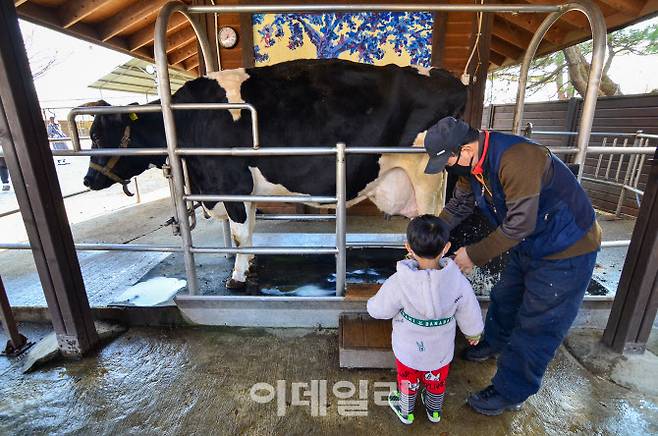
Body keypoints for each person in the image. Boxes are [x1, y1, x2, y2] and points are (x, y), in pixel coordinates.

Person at [423, 116, 601, 416]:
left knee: (538, 324)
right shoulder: (471, 168)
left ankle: (511, 392)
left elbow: (519, 224)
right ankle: (494, 343)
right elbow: (459, 206)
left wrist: (473, 255)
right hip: (528, 242)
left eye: (449, 159)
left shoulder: (518, 159)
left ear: (465, 149)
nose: (449, 166)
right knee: (505, 297)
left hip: (566, 247)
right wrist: (429, 236)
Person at [367, 214, 484, 425]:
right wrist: (473, 333)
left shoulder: (399, 282)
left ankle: (406, 412)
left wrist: (370, 306)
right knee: (436, 382)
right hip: (440, 352)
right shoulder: (458, 281)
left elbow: (379, 310)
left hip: (408, 352)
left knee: (407, 382)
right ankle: (434, 411)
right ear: (446, 247)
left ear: (408, 248)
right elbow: (469, 310)